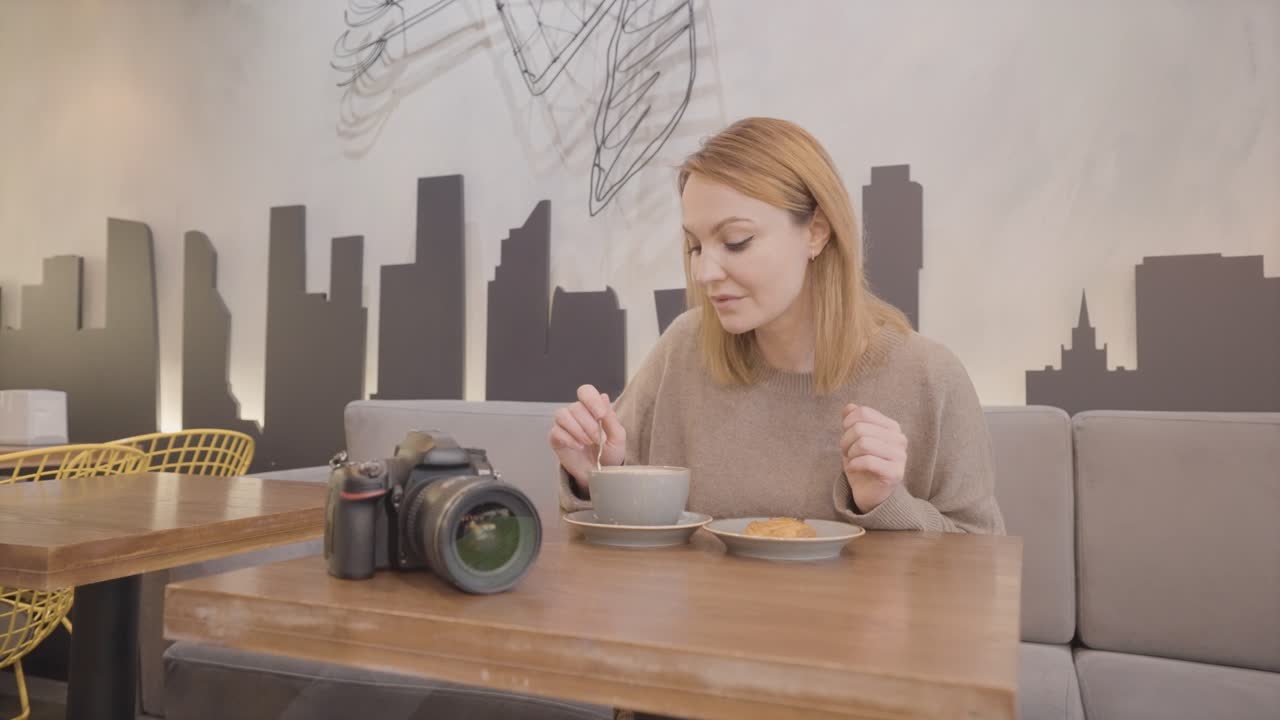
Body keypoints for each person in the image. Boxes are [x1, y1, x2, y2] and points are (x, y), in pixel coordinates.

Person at [550, 116, 1004, 535]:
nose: (706, 273)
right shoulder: (684, 348)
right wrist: (597, 480)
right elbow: (622, 544)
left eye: (736, 241)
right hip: (702, 623)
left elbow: (981, 563)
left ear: (816, 232)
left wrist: (885, 502)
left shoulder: (929, 376)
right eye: (695, 247)